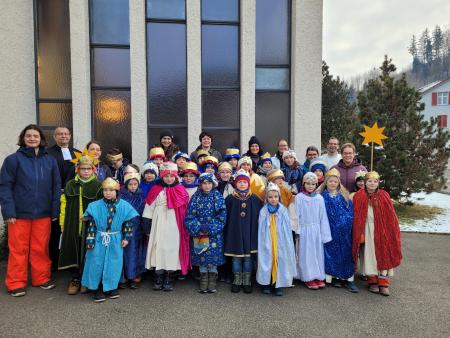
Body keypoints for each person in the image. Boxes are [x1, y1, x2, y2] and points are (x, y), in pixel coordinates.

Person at [0, 125, 61, 297]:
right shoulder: (13, 160)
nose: (32, 138)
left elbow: (56, 186)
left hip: (43, 213)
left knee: (40, 248)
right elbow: (5, 187)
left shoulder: (50, 160)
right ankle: (15, 283)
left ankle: (41, 278)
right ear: (23, 138)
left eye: (35, 136)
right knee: (18, 249)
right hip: (19, 214)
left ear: (41, 139)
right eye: (29, 136)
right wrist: (9, 212)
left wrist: (54, 210)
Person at [81, 178, 138, 302]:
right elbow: (91, 225)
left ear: (117, 191)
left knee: (114, 263)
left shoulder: (124, 205)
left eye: (111, 190)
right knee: (96, 262)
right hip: (98, 238)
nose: (108, 192)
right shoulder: (94, 206)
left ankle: (111, 287)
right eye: (105, 190)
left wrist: (126, 238)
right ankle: (96, 288)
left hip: (115, 239)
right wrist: (90, 241)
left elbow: (128, 223)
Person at [58, 149, 102, 295]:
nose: (86, 171)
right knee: (74, 249)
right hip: (73, 224)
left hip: (91, 226)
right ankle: (75, 278)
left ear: (93, 169)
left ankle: (86, 279)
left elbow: (102, 206)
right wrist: (63, 222)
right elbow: (64, 203)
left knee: (88, 251)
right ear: (77, 169)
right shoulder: (71, 184)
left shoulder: (98, 186)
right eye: (83, 168)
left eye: (89, 169)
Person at [352, 171, 402, 296]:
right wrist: (359, 231)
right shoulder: (359, 195)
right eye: (369, 181)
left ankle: (383, 281)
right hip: (366, 229)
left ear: (378, 183)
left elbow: (391, 215)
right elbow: (356, 215)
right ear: (365, 183)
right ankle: (372, 280)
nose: (372, 183)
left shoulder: (384, 195)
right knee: (369, 254)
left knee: (383, 253)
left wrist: (391, 230)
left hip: (382, 229)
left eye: (375, 181)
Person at [143, 162, 190, 291]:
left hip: (174, 224)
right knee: (158, 247)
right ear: (162, 176)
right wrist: (146, 225)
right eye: (166, 176)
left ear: (175, 177)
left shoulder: (181, 190)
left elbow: (185, 209)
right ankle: (159, 275)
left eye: (171, 176)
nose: (169, 178)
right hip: (158, 223)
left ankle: (170, 275)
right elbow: (149, 207)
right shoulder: (156, 189)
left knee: (172, 248)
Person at [317, 168, 358, 293]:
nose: (333, 184)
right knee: (331, 253)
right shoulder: (321, 197)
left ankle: (348, 279)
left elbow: (349, 212)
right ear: (326, 182)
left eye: (335, 182)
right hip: (329, 230)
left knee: (345, 253)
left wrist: (345, 223)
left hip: (344, 231)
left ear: (339, 183)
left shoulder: (344, 196)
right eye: (330, 181)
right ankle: (334, 277)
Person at [185, 173, 226, 293]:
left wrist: (210, 227)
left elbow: (222, 215)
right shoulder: (196, 197)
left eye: (209, 183)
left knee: (213, 258)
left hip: (214, 234)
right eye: (204, 183)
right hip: (200, 233)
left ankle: (212, 278)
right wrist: (198, 227)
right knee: (202, 256)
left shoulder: (217, 196)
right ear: (200, 184)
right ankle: (203, 278)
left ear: (213, 184)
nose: (207, 186)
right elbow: (189, 215)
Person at [46, 126, 80, 270]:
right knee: (55, 228)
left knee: (72, 226)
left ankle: (72, 260)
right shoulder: (47, 154)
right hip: (56, 196)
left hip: (73, 196)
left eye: (66, 134)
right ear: (54, 137)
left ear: (70, 136)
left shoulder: (77, 153)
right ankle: (54, 261)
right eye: (60, 134)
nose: (63, 136)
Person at [224, 170, 262, 293]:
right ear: (235, 183)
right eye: (239, 182)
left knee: (248, 258)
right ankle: (237, 280)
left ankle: (247, 280)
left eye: (244, 182)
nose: (242, 184)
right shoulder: (230, 199)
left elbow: (258, 217)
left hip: (250, 233)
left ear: (248, 184)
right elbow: (226, 217)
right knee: (236, 258)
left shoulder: (255, 199)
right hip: (235, 232)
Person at [257, 183, 296, 296]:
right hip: (268, 239)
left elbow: (287, 227)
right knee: (267, 260)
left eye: (275, 197)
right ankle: (266, 283)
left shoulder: (283, 210)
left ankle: (278, 284)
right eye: (270, 197)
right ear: (266, 198)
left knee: (280, 260)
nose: (273, 199)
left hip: (280, 240)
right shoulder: (264, 211)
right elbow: (261, 226)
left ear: (279, 197)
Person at [293, 172, 332, 290]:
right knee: (306, 254)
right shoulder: (299, 197)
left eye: (313, 184)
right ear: (304, 184)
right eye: (308, 184)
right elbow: (296, 215)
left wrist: (324, 233)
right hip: (304, 230)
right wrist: (297, 230)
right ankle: (307, 277)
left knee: (316, 254)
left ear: (316, 184)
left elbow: (323, 217)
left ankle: (317, 276)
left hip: (316, 230)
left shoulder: (319, 198)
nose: (310, 186)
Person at [119, 173, 146, 289]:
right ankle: (124, 276)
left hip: (137, 227)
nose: (133, 186)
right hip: (124, 226)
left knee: (136, 252)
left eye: (135, 184)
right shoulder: (121, 196)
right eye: (130, 184)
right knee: (124, 252)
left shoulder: (141, 196)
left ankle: (134, 275)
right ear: (126, 184)